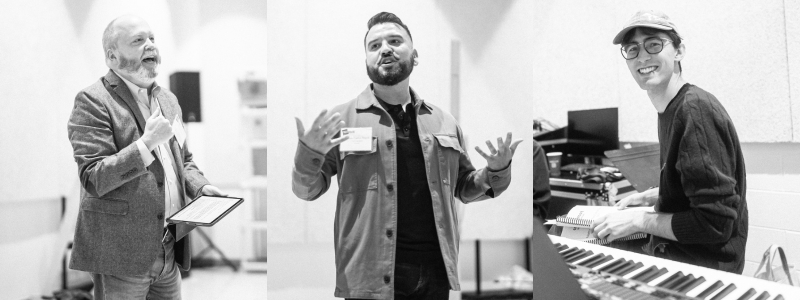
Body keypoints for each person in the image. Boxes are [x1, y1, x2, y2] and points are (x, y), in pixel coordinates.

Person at [292, 12, 523, 299]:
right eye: (374, 46)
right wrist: (310, 153)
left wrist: (495, 171)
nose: (385, 49)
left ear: (414, 56)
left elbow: (465, 188)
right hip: (370, 278)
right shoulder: (341, 120)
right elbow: (306, 190)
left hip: (436, 272)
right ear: (366, 61)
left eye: (394, 41)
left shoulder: (444, 121)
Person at [67, 15, 226, 299]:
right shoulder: (92, 101)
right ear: (112, 57)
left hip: (168, 248)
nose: (150, 45)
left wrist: (200, 187)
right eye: (138, 41)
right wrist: (145, 144)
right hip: (120, 255)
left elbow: (184, 160)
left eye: (152, 38)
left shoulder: (168, 100)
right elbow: (93, 176)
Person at [590, 10, 748, 274]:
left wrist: (639, 220)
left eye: (653, 44)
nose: (642, 56)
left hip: (702, 273)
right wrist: (652, 196)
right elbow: (694, 184)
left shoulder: (694, 110)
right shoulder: (671, 109)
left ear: (679, 51)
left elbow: (715, 224)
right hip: (679, 258)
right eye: (632, 49)